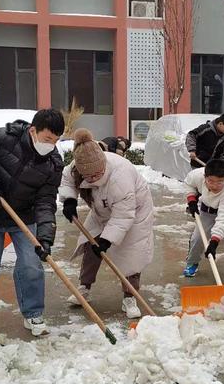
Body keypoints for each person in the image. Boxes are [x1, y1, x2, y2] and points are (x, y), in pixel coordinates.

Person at [0, 109, 65, 337]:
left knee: (31, 264)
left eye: (56, 141)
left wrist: (45, 238)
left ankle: (33, 313)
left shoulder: (54, 163)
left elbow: (46, 202)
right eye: (47, 139)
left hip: (25, 218)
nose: (51, 145)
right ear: (33, 130)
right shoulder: (3, 138)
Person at [60, 129, 155, 319]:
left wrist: (107, 240)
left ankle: (130, 296)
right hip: (101, 208)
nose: (94, 178)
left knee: (131, 253)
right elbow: (67, 180)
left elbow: (123, 216)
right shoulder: (77, 164)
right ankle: (83, 288)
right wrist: (69, 200)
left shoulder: (121, 176)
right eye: (89, 177)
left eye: (97, 174)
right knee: (90, 244)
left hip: (134, 213)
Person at [182, 159, 224, 284]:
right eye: (210, 181)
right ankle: (192, 263)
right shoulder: (197, 175)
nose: (215, 186)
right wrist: (192, 199)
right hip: (208, 203)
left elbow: (223, 219)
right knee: (199, 235)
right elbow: (189, 184)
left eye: (220, 182)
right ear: (205, 177)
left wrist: (214, 243)